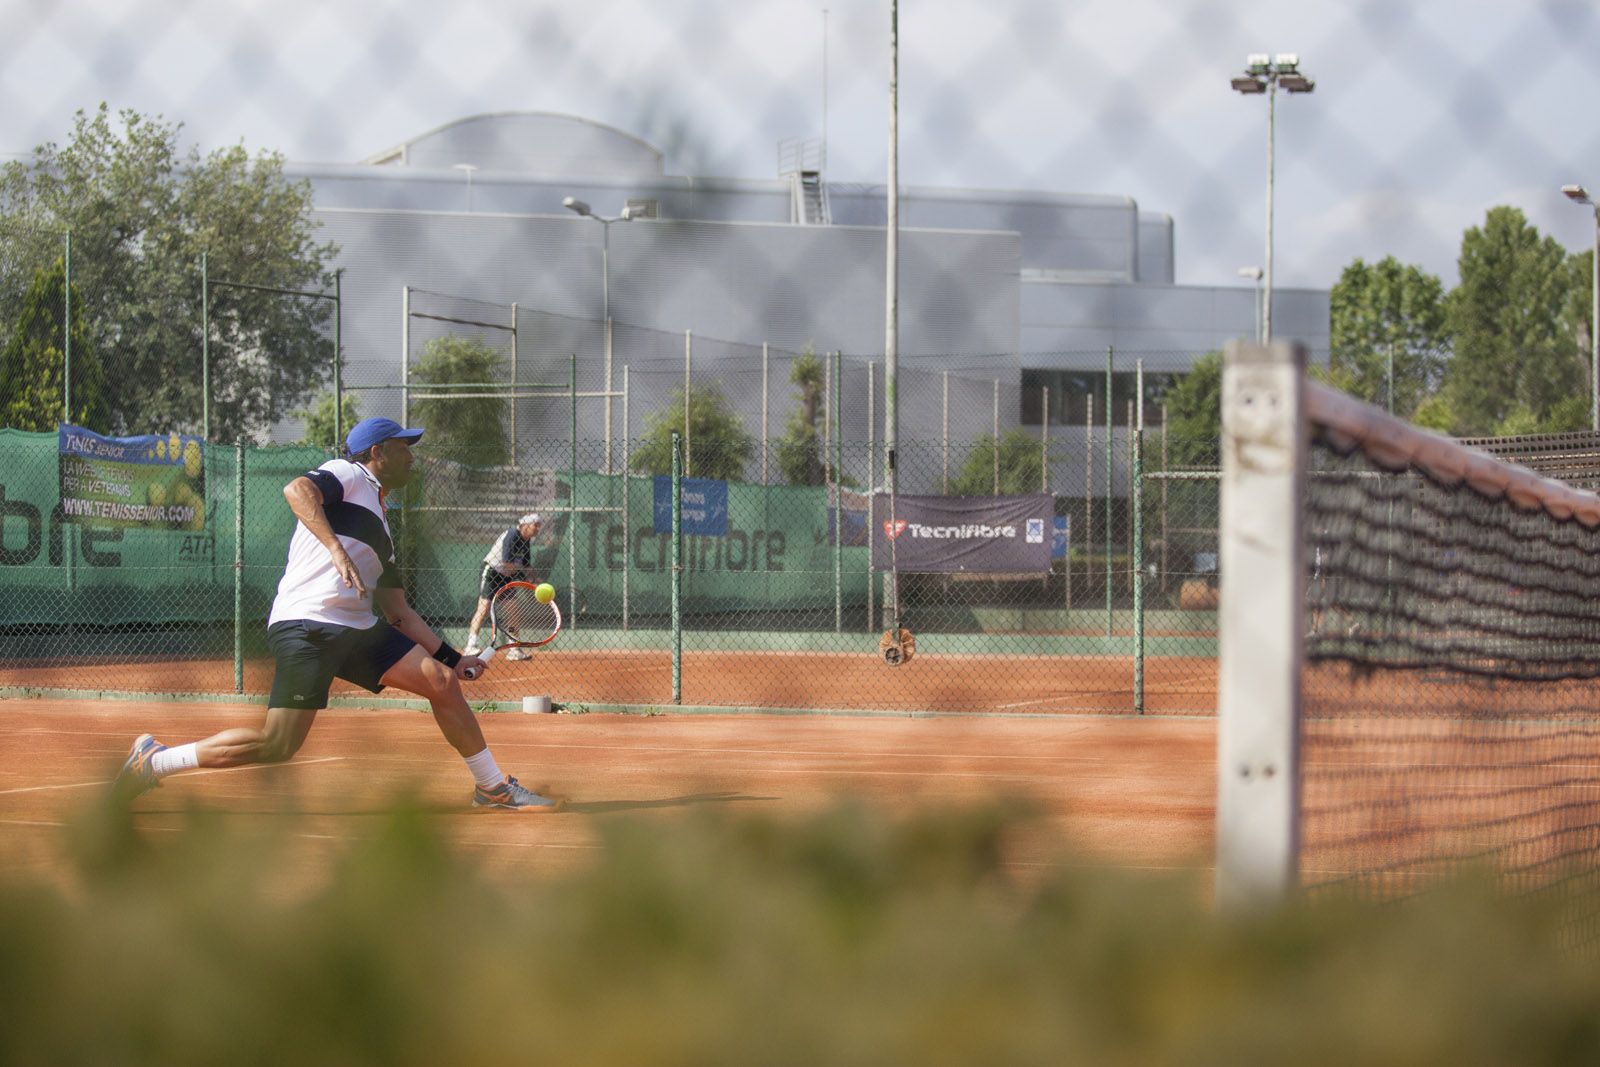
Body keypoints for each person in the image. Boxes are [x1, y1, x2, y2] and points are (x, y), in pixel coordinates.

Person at [114, 416, 557, 811]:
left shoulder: (383, 527)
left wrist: (454, 659)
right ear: (377, 452)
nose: (412, 459)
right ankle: (156, 760)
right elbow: (297, 490)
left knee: (441, 683)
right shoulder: (348, 473)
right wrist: (334, 547)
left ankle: (492, 788)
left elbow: (399, 612)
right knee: (278, 743)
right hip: (308, 624)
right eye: (404, 449)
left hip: (357, 629)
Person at [464, 512, 543, 660]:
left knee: (513, 611)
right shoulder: (512, 534)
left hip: (507, 577)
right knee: (484, 608)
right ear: (525, 525)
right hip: (492, 573)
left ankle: (514, 649)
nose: (538, 529)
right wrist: (525, 577)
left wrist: (534, 579)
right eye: (535, 525)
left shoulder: (526, 541)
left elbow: (526, 566)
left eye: (539, 526)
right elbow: (507, 564)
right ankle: (470, 645)